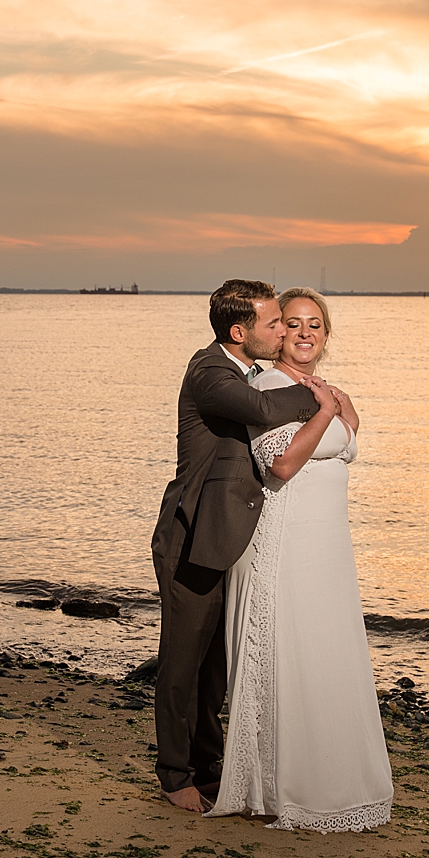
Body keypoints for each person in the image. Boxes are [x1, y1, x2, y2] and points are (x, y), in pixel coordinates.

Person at [206, 287, 394, 832]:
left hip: (327, 542)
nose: (306, 333)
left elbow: (345, 437)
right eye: (293, 323)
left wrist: (339, 410)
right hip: (285, 537)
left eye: (316, 324)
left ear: (327, 334)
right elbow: (282, 464)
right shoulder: (266, 385)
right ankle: (279, 784)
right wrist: (331, 412)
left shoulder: (322, 388)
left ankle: (332, 776)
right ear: (276, 332)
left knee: (327, 648)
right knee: (293, 648)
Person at [150, 279, 336, 813]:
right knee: (183, 663)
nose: (283, 331)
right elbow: (259, 408)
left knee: (214, 666)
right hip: (190, 536)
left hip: (228, 536)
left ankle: (209, 768)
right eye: (275, 323)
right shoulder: (210, 372)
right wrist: (321, 394)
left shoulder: (249, 369)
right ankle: (175, 775)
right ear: (240, 331)